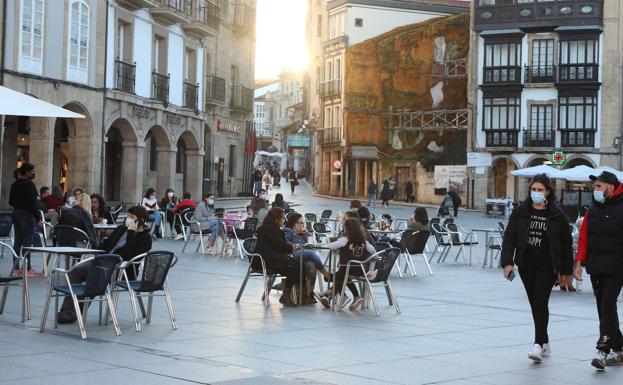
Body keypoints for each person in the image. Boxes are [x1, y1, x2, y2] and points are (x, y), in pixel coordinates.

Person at [501, 174, 573, 363]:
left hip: (548, 265)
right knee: (535, 303)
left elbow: (566, 243)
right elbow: (509, 237)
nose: (536, 193)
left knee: (540, 301)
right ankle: (545, 342)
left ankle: (538, 344)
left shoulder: (557, 215)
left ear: (547, 192)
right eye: (534, 189)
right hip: (526, 264)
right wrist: (507, 262)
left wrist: (566, 272)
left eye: (540, 190)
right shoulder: (521, 212)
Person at [57, 206, 152, 324]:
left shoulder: (146, 238)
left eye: (132, 217)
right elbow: (105, 245)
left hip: (122, 269)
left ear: (141, 220)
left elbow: (129, 254)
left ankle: (73, 313)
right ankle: (67, 310)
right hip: (102, 262)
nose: (129, 220)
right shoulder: (121, 229)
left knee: (95, 276)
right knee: (75, 271)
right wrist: (93, 253)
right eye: (128, 216)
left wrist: (131, 233)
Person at [574, 171, 623, 369]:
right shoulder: (592, 210)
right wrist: (578, 264)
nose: (595, 190)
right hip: (596, 266)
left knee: (607, 304)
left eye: (598, 186)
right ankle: (619, 347)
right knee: (604, 309)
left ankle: (602, 350)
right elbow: (583, 238)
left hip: (617, 266)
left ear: (610, 187)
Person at [320, 218, 377, 311]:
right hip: (361, 269)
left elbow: (331, 246)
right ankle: (331, 294)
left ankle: (330, 290)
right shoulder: (364, 241)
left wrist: (321, 245)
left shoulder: (345, 240)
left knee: (340, 276)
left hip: (347, 269)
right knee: (344, 277)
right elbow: (373, 252)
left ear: (347, 229)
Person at [255, 207, 306, 307]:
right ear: (276, 219)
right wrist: (292, 247)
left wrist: (289, 248)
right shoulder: (272, 230)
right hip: (265, 260)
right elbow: (281, 246)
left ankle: (301, 295)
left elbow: (279, 246)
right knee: (294, 268)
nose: (284, 220)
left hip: (270, 258)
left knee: (299, 265)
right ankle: (286, 296)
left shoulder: (270, 228)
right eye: (282, 218)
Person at [285, 213, 331, 300]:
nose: (301, 225)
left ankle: (309, 293)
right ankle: (326, 273)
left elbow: (309, 245)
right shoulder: (289, 231)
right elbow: (285, 243)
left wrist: (307, 235)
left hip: (304, 256)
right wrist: (297, 245)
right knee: (311, 253)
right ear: (293, 223)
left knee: (311, 266)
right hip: (293, 255)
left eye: (302, 223)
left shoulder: (303, 233)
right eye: (299, 223)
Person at [8, 163, 41, 277]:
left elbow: (10, 202)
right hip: (26, 215)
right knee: (27, 243)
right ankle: (27, 269)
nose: (34, 173)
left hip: (16, 213)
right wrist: (38, 218)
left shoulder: (15, 184)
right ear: (27, 172)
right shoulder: (30, 185)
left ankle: (16, 269)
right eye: (32, 171)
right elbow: (33, 204)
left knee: (17, 242)